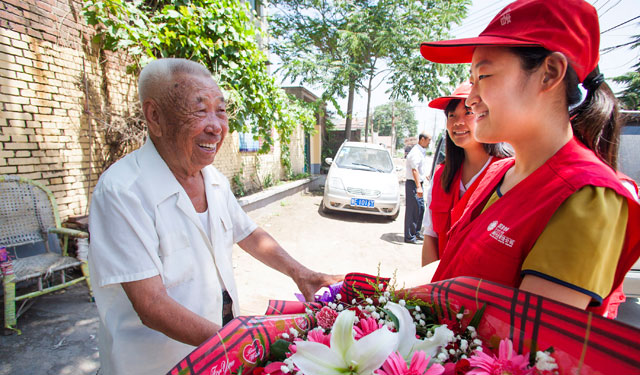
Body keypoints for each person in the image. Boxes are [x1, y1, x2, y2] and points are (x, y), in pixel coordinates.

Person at [88, 58, 342, 375]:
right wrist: (244, 344)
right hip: (157, 364)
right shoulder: (121, 192)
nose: (216, 126)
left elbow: (248, 234)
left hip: (218, 354)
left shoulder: (214, 179)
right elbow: (152, 305)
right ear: (155, 117)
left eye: (220, 111)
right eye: (200, 110)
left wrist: (300, 272)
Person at [416, 0, 640, 318]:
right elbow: (449, 273)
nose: (471, 98)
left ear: (549, 74)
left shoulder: (588, 197)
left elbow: (521, 349)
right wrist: (349, 287)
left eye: (485, 76)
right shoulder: (498, 174)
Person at [421, 82, 512, 266]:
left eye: (468, 112)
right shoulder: (441, 175)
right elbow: (430, 236)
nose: (457, 122)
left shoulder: (509, 173)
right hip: (438, 287)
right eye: (451, 115)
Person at [404, 133, 431, 244]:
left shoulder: (421, 151)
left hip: (418, 183)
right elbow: (414, 170)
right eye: (429, 140)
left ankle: (416, 232)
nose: (430, 142)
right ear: (422, 139)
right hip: (413, 184)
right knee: (413, 211)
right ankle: (409, 237)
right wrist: (418, 187)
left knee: (420, 209)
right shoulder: (415, 152)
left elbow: (419, 169)